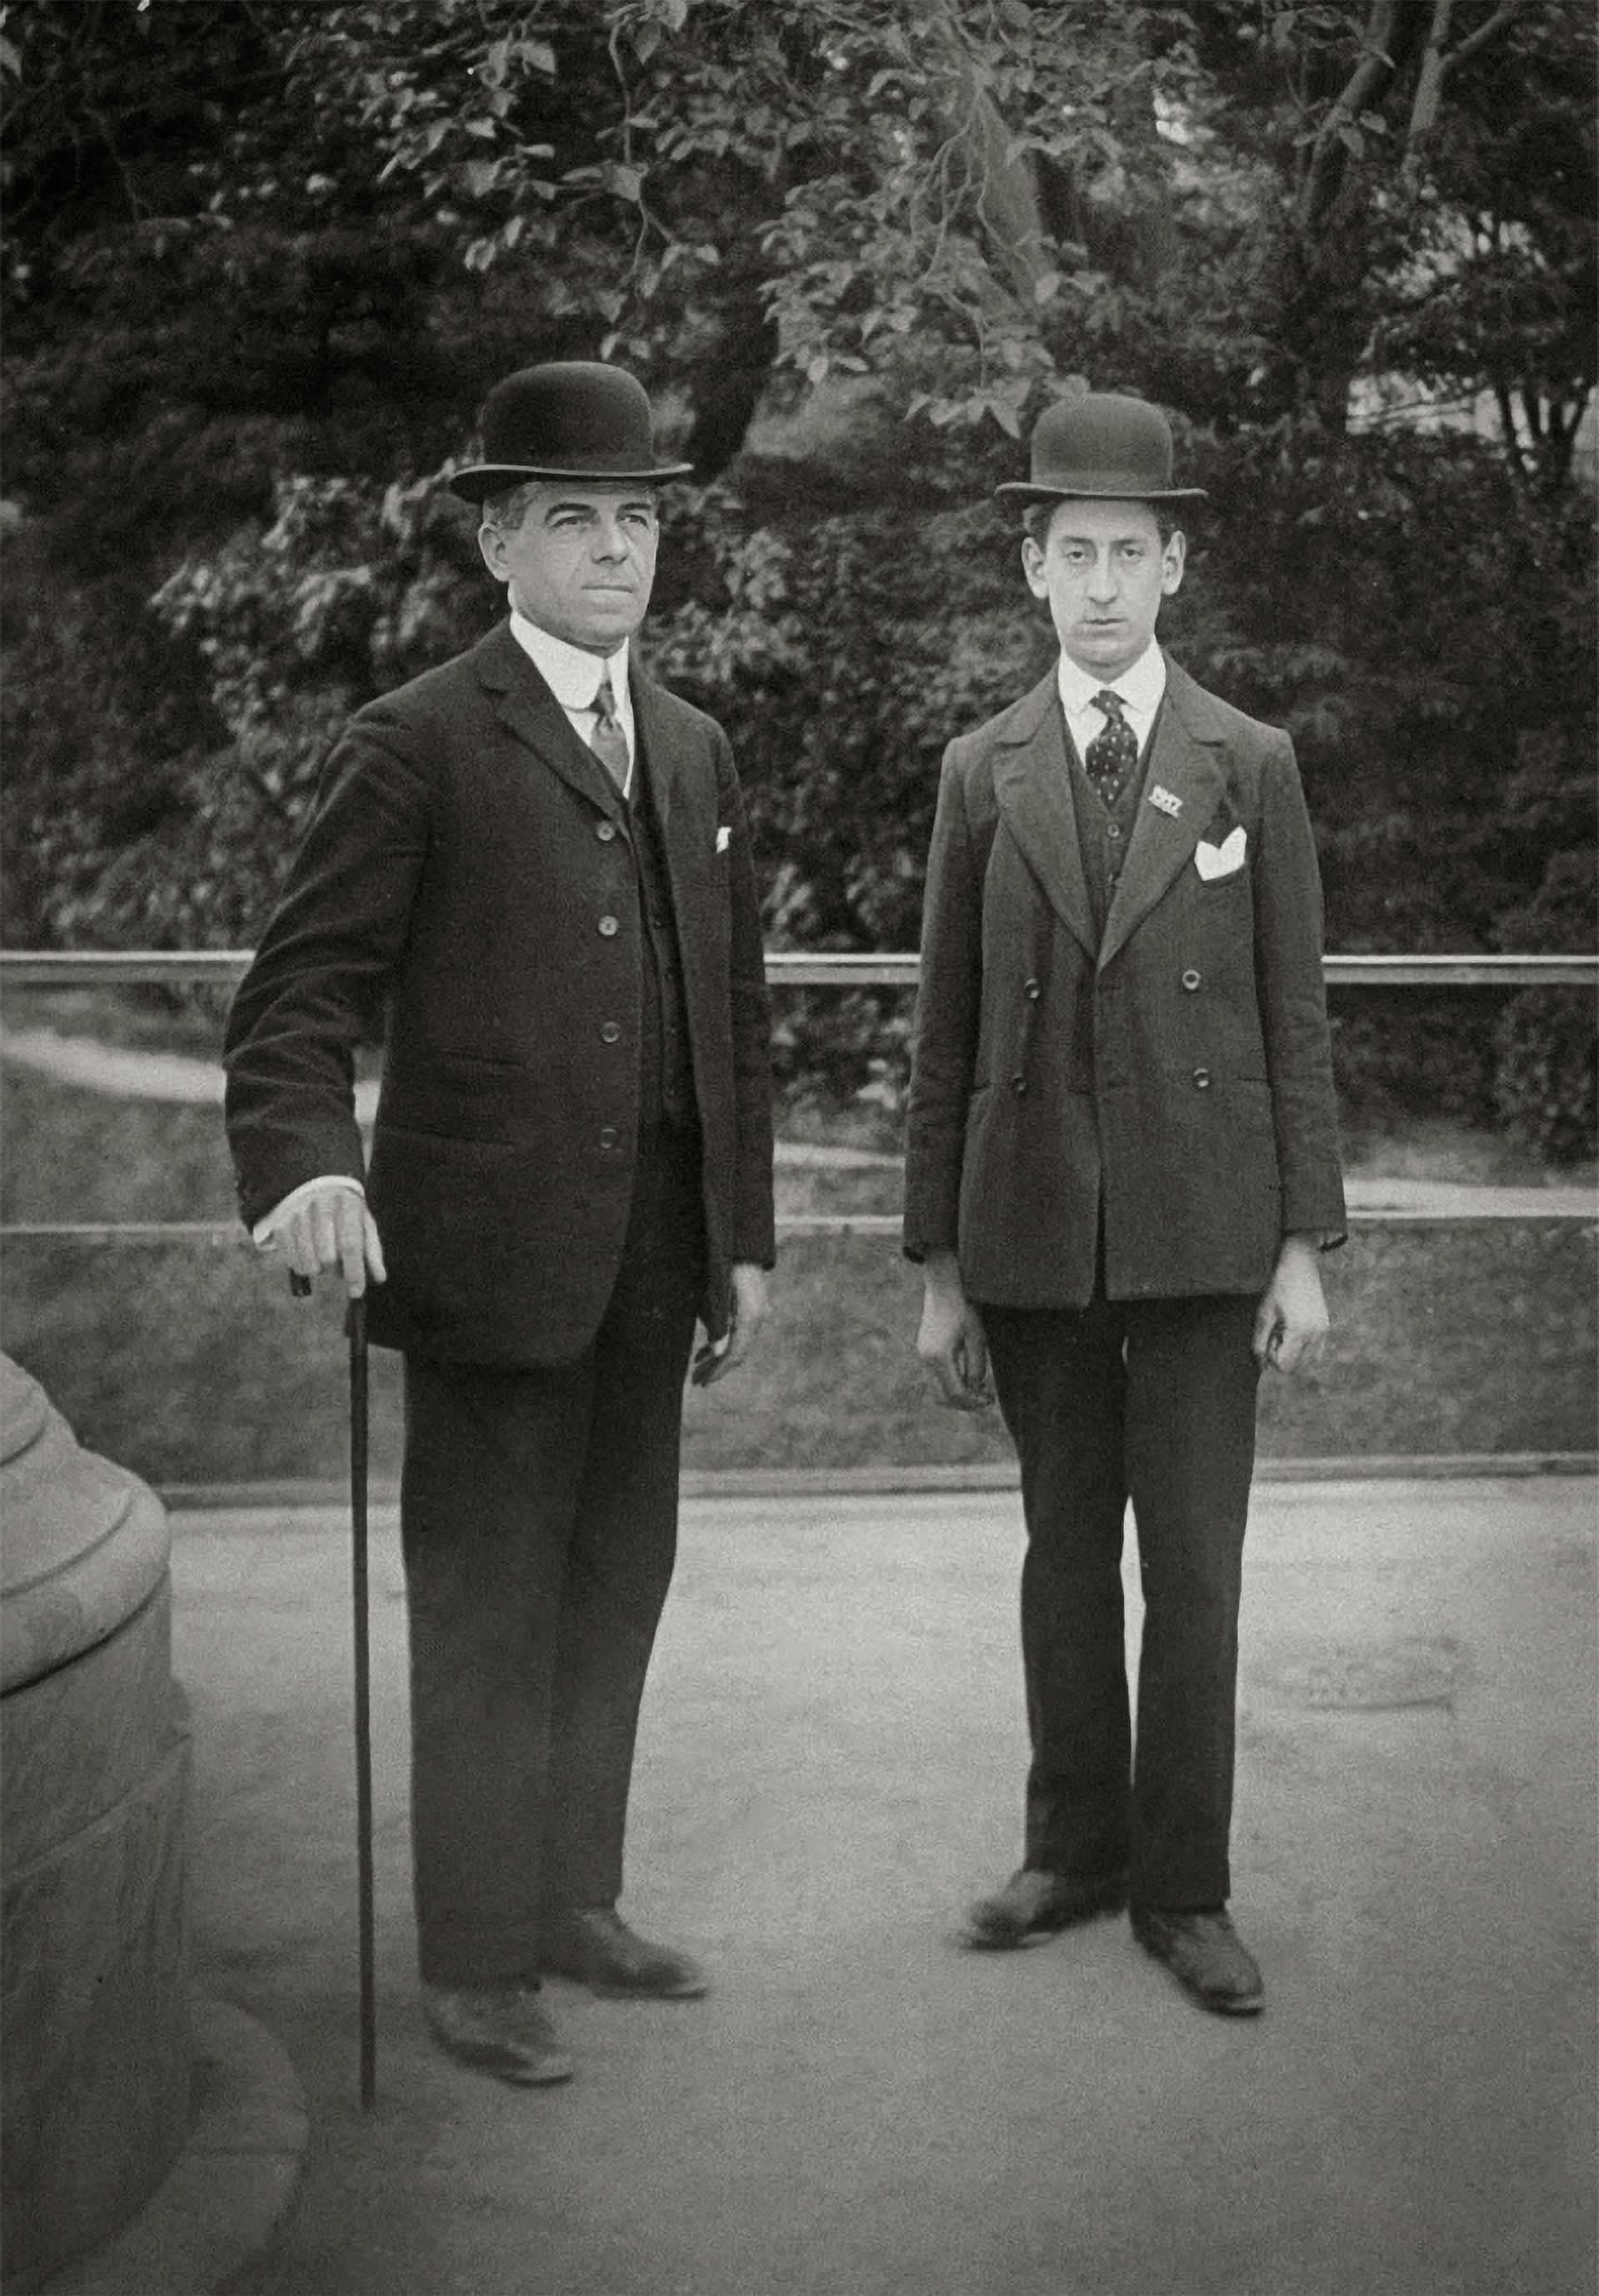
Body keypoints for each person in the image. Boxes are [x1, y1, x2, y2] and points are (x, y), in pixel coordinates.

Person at [224, 361, 775, 2087]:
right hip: (478, 1263)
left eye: (637, 520)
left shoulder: (690, 744)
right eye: (574, 520)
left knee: (619, 1583)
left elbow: (726, 1012)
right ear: (497, 542)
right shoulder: (419, 739)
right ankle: (473, 1957)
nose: (616, 551)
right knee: (485, 1604)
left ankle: (571, 1901)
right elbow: (297, 994)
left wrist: (737, 1236)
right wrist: (307, 1163)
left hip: (649, 1263)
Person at [903, 392, 1345, 2017]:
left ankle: (1188, 1883)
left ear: (1177, 564)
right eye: (1070, 551)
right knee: (1062, 1551)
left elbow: (1294, 1012)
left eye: (1129, 551)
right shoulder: (980, 771)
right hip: (1029, 1231)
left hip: (1205, 1230)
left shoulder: (1250, 762)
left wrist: (1304, 1244)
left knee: (1201, 1569)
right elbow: (940, 1028)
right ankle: (1073, 1847)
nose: (1100, 582)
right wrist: (939, 1262)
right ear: (1032, 568)